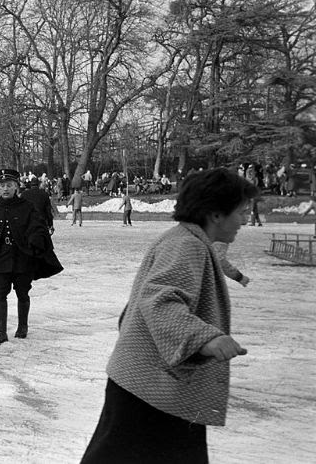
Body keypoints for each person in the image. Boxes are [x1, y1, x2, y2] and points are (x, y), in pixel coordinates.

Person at [80, 168, 259, 464]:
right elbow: (159, 299)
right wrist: (205, 338)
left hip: (156, 384)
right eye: (241, 212)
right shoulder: (185, 245)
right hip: (151, 388)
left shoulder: (190, 241)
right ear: (215, 213)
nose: (244, 220)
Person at [0, 169, 63, 346]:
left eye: (9, 185)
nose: (6, 189)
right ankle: (1, 332)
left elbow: (39, 228)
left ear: (16, 187)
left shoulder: (27, 207)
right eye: (2, 185)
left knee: (22, 292)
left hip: (22, 258)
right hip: (0, 259)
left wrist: (33, 242)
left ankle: (22, 326)